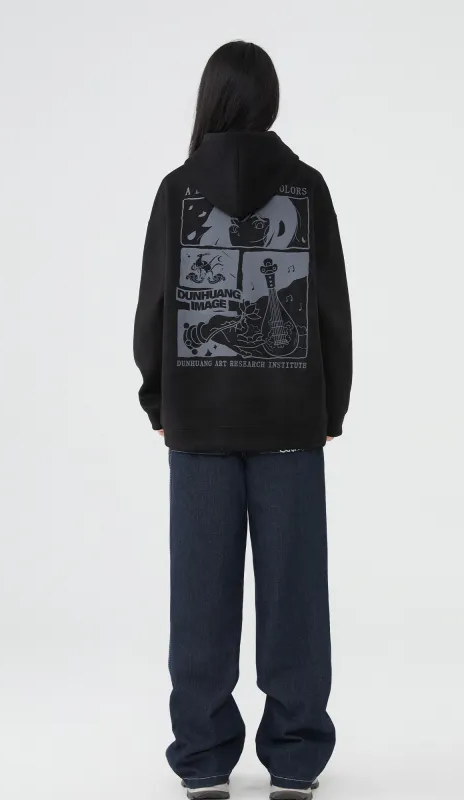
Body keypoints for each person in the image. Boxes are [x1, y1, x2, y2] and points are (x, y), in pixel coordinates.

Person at [133, 40, 352, 800]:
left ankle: (202, 757)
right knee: (296, 593)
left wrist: (159, 400)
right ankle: (295, 757)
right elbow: (330, 306)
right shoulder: (308, 188)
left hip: (198, 423)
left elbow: (156, 302)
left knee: (200, 591)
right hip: (291, 422)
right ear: (270, 100)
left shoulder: (177, 190)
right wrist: (331, 405)